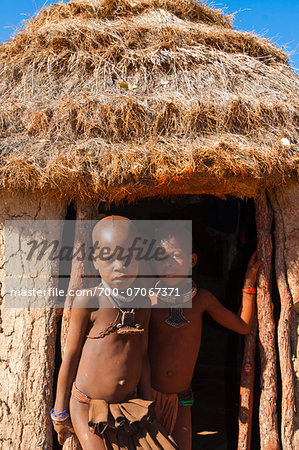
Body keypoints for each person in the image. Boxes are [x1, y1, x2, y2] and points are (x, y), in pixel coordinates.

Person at [51, 216, 177, 450]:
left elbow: (142, 355)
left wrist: (148, 402)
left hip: (127, 406)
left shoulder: (143, 302)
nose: (120, 265)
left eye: (128, 256)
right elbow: (70, 356)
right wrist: (59, 410)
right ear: (96, 261)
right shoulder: (90, 300)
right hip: (87, 406)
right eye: (110, 256)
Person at [149, 224, 263, 450]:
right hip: (146, 396)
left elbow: (242, 326)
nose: (168, 263)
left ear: (192, 260)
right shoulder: (148, 299)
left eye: (176, 256)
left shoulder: (202, 299)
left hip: (182, 398)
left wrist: (249, 283)